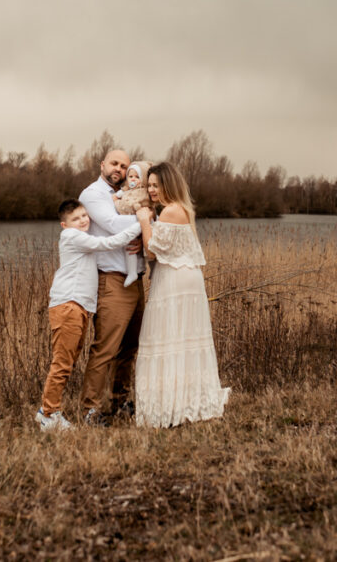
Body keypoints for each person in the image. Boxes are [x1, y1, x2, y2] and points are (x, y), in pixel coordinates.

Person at [134, 162, 229, 428]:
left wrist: (144, 221)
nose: (152, 190)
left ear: (169, 185)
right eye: (149, 185)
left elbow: (152, 250)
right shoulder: (179, 209)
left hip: (177, 280)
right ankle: (180, 398)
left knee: (169, 334)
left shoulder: (171, 211)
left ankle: (173, 405)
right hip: (182, 276)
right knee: (179, 335)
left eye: (156, 185)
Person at [35, 199, 141, 432]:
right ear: (65, 225)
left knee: (68, 361)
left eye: (84, 215)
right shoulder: (73, 237)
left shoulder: (82, 238)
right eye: (76, 219)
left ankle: (48, 411)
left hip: (79, 307)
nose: (83, 220)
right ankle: (48, 414)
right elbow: (110, 242)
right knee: (62, 363)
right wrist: (141, 223)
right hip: (68, 305)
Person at [78, 149, 145, 425]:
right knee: (105, 347)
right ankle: (90, 410)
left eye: (124, 166)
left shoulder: (130, 193)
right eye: (115, 163)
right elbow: (114, 225)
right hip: (112, 280)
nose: (119, 169)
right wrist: (147, 220)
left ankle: (121, 401)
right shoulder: (92, 194)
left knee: (130, 347)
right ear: (103, 164)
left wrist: (144, 236)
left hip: (136, 279)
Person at [113, 160, 153, 288]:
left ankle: (150, 269)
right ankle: (132, 272)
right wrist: (119, 194)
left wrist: (116, 203)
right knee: (130, 247)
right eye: (131, 176)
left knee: (148, 246)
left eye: (137, 177)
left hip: (142, 223)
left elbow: (127, 207)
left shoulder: (142, 192)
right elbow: (122, 194)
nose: (133, 180)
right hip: (135, 224)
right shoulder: (127, 191)